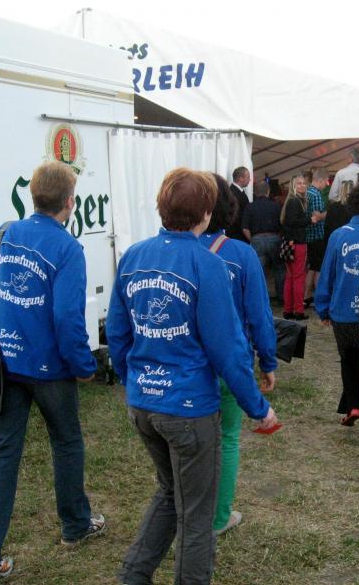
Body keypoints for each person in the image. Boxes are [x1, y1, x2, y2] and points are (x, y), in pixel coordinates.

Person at [106, 168, 278, 585]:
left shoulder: (134, 256)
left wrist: (134, 382)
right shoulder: (207, 264)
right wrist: (259, 408)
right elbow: (228, 349)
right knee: (197, 516)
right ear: (206, 212)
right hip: (187, 410)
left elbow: (117, 333)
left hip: (145, 404)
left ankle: (133, 575)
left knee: (170, 492)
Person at [0, 161, 104, 580]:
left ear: (34, 195)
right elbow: (67, 318)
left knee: (2, 451)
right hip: (49, 369)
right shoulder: (67, 248)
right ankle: (75, 525)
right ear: (69, 203)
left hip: (3, 363)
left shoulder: (2, 234)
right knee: (67, 442)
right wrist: (84, 365)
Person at [201, 174, 278, 535]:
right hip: (230, 363)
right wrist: (268, 361)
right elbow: (259, 314)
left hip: (188, 363)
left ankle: (189, 513)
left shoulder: (176, 251)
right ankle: (219, 517)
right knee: (228, 437)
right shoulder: (240, 254)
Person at [315, 182, 359, 436]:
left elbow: (327, 274)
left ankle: (353, 404)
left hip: (343, 312)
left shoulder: (339, 235)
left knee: (348, 359)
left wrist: (323, 307)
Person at [281, 174, 321, 319]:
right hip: (297, 244)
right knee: (298, 278)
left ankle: (288, 309)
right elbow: (293, 222)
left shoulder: (292, 201)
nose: (302, 185)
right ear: (293, 186)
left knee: (290, 277)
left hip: (289, 243)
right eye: (299, 183)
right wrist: (310, 220)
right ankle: (298, 310)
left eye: (304, 183)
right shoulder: (295, 201)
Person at [242, 180, 285, 305]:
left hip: (257, 238)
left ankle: (260, 298)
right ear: (268, 191)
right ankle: (280, 297)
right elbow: (282, 224)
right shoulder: (276, 206)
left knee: (258, 270)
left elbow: (245, 228)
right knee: (279, 269)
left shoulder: (249, 207)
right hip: (274, 238)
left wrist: (253, 239)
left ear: (255, 192)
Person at [304, 168, 328, 307]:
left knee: (312, 268)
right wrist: (328, 213)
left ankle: (306, 297)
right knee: (318, 268)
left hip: (308, 235)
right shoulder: (316, 194)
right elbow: (317, 216)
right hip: (317, 235)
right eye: (326, 181)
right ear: (320, 180)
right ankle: (319, 299)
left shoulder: (306, 191)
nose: (326, 184)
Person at [323, 180, 354, 251]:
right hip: (351, 242)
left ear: (340, 191)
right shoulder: (357, 208)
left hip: (336, 241)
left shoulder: (333, 207)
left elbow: (327, 227)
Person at [227, 166, 251, 241]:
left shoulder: (236, 191)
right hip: (237, 235)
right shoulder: (233, 193)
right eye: (248, 177)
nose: (249, 180)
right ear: (241, 178)